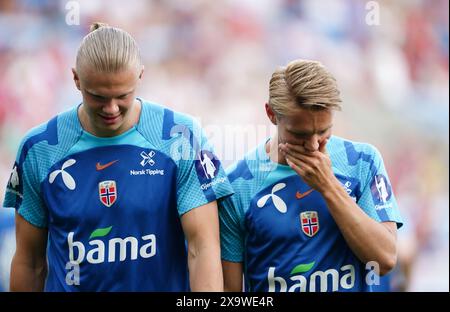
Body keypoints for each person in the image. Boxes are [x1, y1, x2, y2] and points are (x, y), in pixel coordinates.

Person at [3, 23, 234, 291]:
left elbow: (202, 248)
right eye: (97, 96)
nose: (111, 108)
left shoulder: (181, 137)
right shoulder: (40, 149)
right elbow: (29, 261)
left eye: (122, 96)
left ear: (140, 76)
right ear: (76, 79)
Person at [219, 59, 403, 292]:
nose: (314, 145)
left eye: (324, 131)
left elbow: (385, 260)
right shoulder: (237, 184)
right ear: (271, 114)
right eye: (300, 134)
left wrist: (328, 186)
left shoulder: (362, 162)